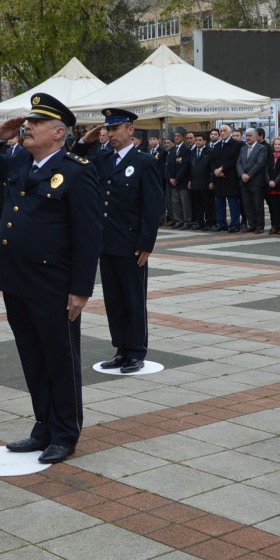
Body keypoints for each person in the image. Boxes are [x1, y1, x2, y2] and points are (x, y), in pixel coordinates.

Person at [0, 93, 102, 464]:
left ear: (59, 132)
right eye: (28, 121)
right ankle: (43, 427)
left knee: (60, 359)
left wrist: (81, 289)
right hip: (15, 278)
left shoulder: (78, 171)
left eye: (37, 122)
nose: (28, 126)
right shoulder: (20, 162)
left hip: (53, 283)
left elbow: (89, 234)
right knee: (32, 356)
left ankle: (65, 433)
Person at [72, 108, 163, 374]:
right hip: (106, 241)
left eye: (115, 129)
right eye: (107, 129)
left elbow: (152, 206)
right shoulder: (101, 158)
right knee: (113, 299)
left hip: (131, 243)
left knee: (133, 299)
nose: (109, 134)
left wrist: (147, 243)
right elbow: (74, 161)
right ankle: (121, 349)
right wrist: (85, 140)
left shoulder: (144, 161)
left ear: (130, 130)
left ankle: (136, 351)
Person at [210, 124, 242, 233]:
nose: (222, 133)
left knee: (233, 203)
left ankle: (235, 224)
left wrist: (222, 168)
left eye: (224, 131)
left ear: (229, 132)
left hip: (230, 177)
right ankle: (222, 223)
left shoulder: (236, 144)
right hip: (219, 178)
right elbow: (212, 160)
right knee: (219, 203)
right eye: (221, 131)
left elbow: (235, 160)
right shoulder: (217, 145)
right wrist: (215, 170)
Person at [237, 128, 268, 233]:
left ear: (255, 136)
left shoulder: (262, 148)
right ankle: (252, 224)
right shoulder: (243, 148)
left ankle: (259, 226)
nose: (248, 138)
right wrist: (242, 174)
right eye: (247, 135)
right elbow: (238, 163)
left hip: (256, 181)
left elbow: (260, 164)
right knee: (247, 204)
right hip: (244, 181)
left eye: (250, 135)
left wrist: (249, 175)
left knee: (257, 205)